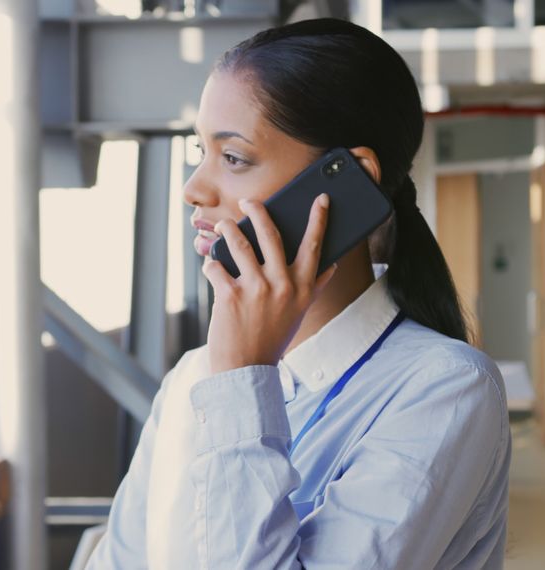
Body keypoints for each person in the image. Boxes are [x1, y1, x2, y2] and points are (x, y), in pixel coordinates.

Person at [87, 17, 510, 570]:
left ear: (345, 180)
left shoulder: (446, 390)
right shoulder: (194, 381)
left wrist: (243, 380)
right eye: (200, 151)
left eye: (233, 158)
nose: (194, 187)